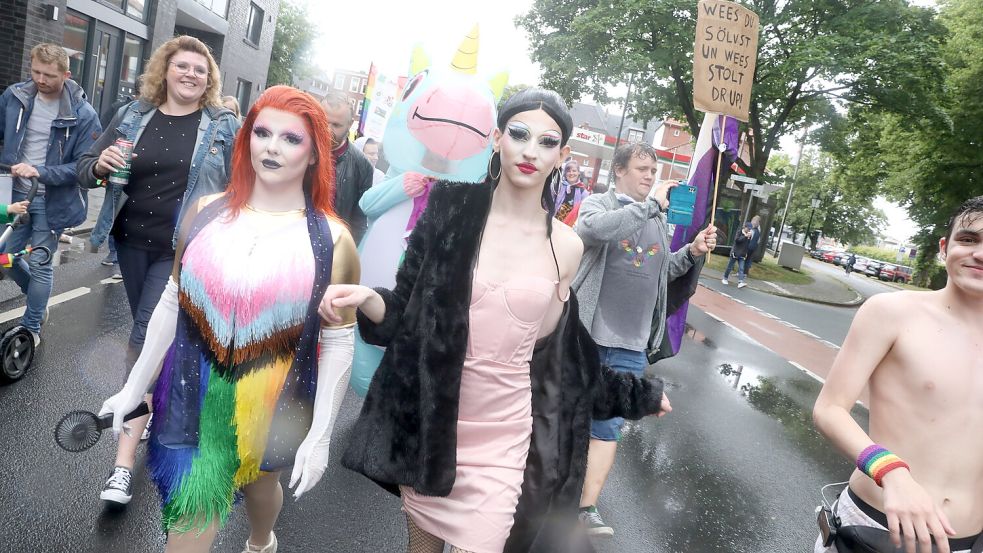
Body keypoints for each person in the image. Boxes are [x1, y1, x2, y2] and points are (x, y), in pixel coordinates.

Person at [327, 88, 665, 553]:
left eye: (547, 142)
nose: (530, 151)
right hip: (432, 426)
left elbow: (565, 356)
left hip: (504, 439)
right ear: (496, 138)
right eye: (519, 134)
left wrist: (635, 394)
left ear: (562, 155)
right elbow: (404, 310)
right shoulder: (449, 212)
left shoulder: (565, 245)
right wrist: (367, 296)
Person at [98, 85, 359, 553]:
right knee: (192, 511)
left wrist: (319, 437)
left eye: (291, 138)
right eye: (262, 132)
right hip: (193, 392)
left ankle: (261, 541)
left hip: (275, 399)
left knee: (262, 487)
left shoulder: (332, 240)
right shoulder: (205, 213)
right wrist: (133, 388)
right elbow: (172, 302)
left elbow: (339, 342)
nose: (272, 147)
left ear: (316, 153)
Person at [77, 35, 240, 508]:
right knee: (156, 340)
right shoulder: (132, 115)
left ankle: (123, 465)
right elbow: (85, 169)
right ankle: (157, 403)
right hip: (129, 244)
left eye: (200, 69)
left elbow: (241, 185)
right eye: (181, 66)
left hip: (182, 254)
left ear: (209, 80)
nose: (190, 74)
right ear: (164, 71)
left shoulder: (223, 126)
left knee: (143, 339)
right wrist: (100, 166)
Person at [812, 196, 983, 553]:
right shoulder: (891, 313)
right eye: (969, 239)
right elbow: (829, 409)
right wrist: (892, 472)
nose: (979, 254)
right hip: (874, 529)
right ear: (944, 246)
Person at [572, 142, 716, 537]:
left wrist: (691, 250)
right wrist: (652, 204)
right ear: (619, 170)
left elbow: (659, 268)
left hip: (633, 343)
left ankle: (585, 508)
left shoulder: (656, 219)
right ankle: (553, 490)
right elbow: (592, 231)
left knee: (607, 426)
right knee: (570, 416)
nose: (651, 176)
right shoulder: (598, 205)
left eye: (654, 170)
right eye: (642, 169)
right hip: (588, 337)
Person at [0, 42, 101, 345]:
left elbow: (82, 168)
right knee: (5, 257)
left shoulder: (84, 115)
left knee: (42, 262)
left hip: (51, 199)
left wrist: (40, 171)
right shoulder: (14, 97)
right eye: (36, 72)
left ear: (66, 75)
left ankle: (31, 328)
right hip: (15, 195)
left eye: (49, 75)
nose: (41, 80)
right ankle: (37, 299)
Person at [319, 91, 373, 241]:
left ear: (350, 124)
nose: (327, 130)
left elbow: (358, 222)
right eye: (323, 121)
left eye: (336, 125)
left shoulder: (362, 166)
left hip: (334, 245)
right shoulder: (300, 149)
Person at [722, 222, 753, 288]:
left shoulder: (749, 235)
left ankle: (740, 282)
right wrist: (745, 236)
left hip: (742, 254)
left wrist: (748, 238)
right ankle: (725, 278)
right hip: (735, 253)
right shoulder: (739, 232)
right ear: (745, 227)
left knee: (741, 268)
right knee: (730, 266)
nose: (749, 230)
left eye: (750, 229)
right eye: (748, 228)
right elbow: (737, 240)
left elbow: (747, 245)